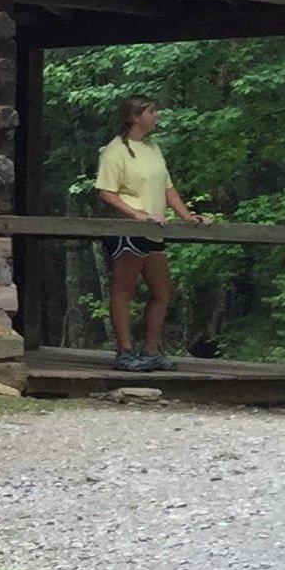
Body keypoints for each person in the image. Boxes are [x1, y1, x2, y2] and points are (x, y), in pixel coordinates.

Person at [93, 96, 199, 371]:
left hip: (155, 229)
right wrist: (136, 213)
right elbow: (107, 192)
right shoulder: (116, 150)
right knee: (123, 289)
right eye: (151, 111)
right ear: (135, 117)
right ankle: (125, 352)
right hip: (129, 229)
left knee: (162, 291)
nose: (157, 115)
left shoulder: (153, 148)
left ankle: (151, 351)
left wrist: (186, 215)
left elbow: (167, 188)